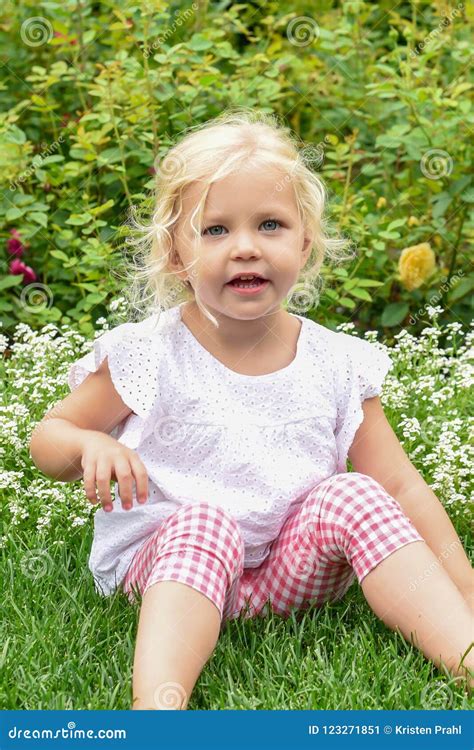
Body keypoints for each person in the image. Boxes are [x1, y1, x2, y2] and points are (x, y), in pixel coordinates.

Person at [29, 109, 473, 710]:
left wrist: (465, 587)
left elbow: (398, 483)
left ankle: (466, 656)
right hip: (171, 576)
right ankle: (158, 713)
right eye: (215, 230)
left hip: (287, 574)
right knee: (203, 524)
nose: (245, 248)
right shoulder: (150, 353)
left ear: (304, 242)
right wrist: (89, 444)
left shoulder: (335, 361)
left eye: (270, 224)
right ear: (176, 253)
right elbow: (48, 437)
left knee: (358, 496)